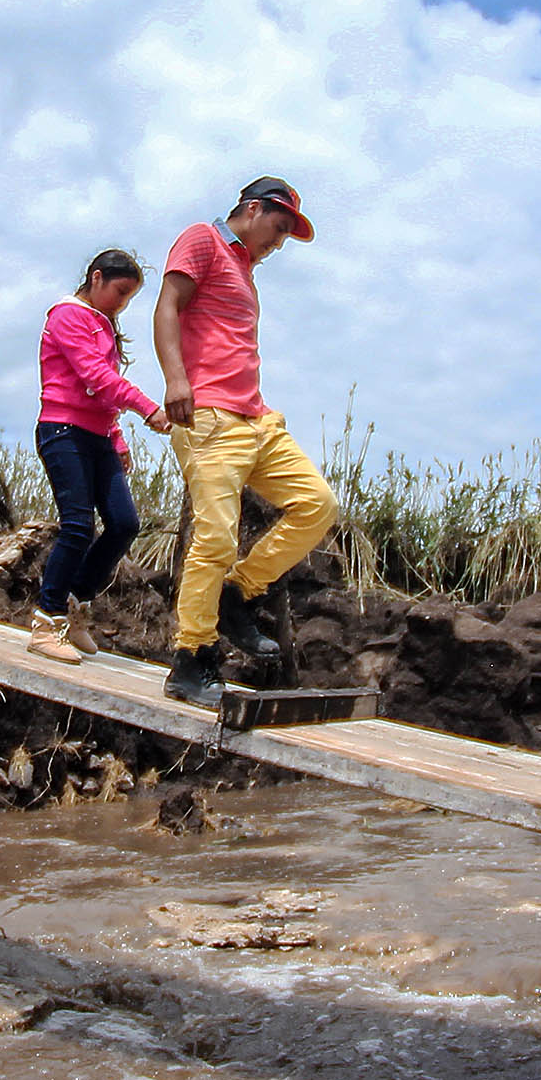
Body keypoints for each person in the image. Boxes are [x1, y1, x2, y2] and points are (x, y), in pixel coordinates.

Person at [152, 177, 336, 709]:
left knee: (317, 505)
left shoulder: (246, 272)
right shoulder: (202, 240)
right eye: (277, 229)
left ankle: (238, 593)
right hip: (209, 416)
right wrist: (175, 379)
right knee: (213, 540)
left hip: (257, 419)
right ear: (253, 210)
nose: (278, 244)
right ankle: (191, 661)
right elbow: (168, 307)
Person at [25, 250, 172, 664]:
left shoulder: (102, 325)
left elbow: (103, 394)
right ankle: (46, 621)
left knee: (124, 523)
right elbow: (95, 377)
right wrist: (148, 408)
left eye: (129, 297)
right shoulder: (67, 315)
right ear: (96, 278)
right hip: (63, 431)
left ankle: (76, 608)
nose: (122, 303)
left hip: (97, 437)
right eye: (120, 292)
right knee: (77, 526)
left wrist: (117, 440)